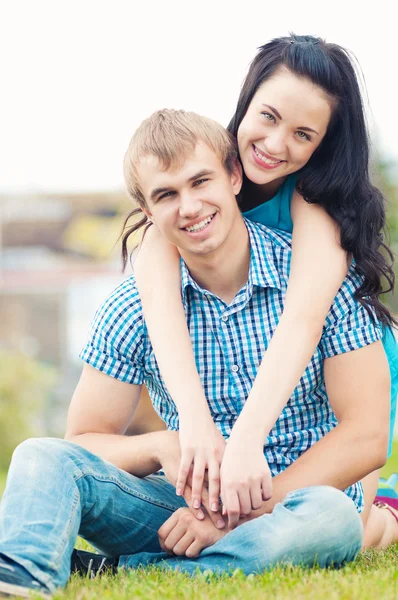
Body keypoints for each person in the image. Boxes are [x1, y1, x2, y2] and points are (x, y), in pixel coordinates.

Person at [0, 109, 393, 598]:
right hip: (181, 514)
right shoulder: (132, 307)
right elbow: (84, 440)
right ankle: (23, 576)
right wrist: (161, 445)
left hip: (295, 505)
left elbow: (366, 439)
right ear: (147, 212)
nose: (188, 207)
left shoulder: (317, 278)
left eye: (200, 181)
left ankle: (131, 572)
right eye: (166, 195)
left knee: (333, 520)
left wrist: (242, 518)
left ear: (233, 176)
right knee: (40, 455)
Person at [130, 34, 398, 528]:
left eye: (303, 134)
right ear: (246, 103)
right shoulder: (201, 179)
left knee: (340, 523)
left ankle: (382, 514)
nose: (275, 145)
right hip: (260, 356)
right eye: (269, 117)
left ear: (323, 144)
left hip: (337, 356)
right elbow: (161, 308)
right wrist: (196, 425)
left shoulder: (315, 204)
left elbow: (303, 320)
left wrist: (247, 440)